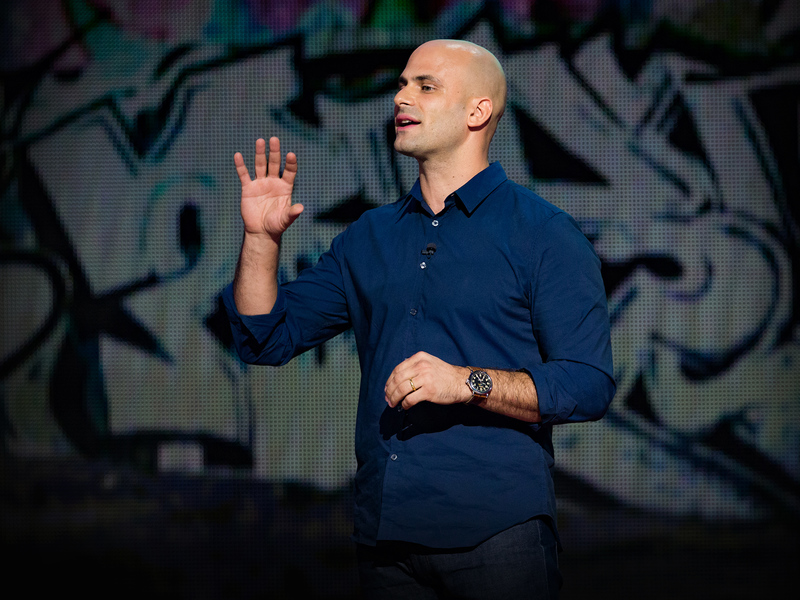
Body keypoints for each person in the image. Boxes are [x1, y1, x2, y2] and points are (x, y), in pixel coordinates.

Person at [223, 39, 615, 599]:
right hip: (386, 538)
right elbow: (265, 337)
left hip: (497, 534)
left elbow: (587, 383)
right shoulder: (369, 237)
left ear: (478, 111)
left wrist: (466, 382)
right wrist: (261, 241)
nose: (401, 97)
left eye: (425, 86)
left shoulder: (544, 233)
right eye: (402, 84)